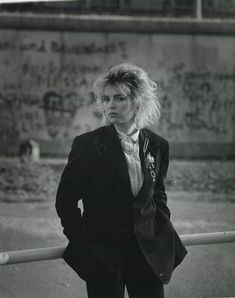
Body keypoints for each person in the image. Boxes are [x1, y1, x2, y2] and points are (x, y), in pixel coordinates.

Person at [55, 63, 187, 298]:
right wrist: (82, 242)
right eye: (105, 99)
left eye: (119, 98)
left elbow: (158, 197)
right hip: (103, 256)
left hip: (147, 254)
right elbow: (65, 201)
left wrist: (160, 231)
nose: (110, 105)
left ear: (137, 101)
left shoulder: (158, 145)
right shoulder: (88, 145)